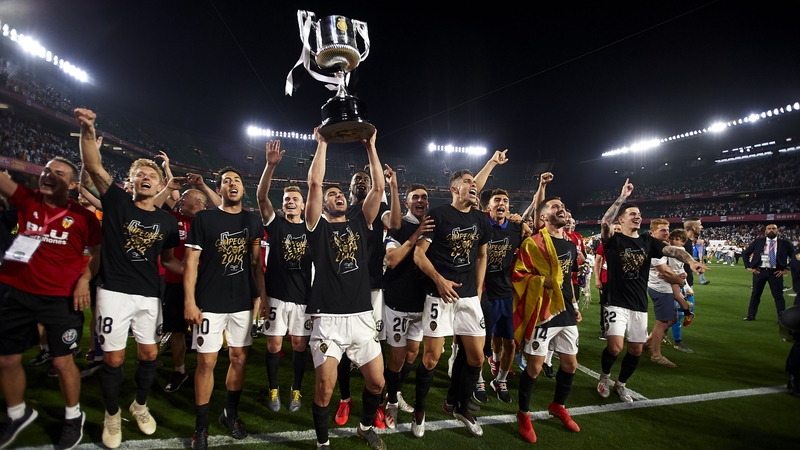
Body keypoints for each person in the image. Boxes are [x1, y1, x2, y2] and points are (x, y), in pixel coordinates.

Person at [76, 108, 183, 449]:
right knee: (114, 358)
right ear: (133, 181)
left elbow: (168, 260)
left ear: (159, 184)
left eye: (151, 174)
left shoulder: (167, 222)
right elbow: (93, 166)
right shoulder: (118, 202)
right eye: (141, 174)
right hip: (114, 292)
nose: (146, 177)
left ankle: (139, 404)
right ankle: (111, 415)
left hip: (150, 295)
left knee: (150, 355)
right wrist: (89, 130)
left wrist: (200, 271)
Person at [0, 157, 101, 450]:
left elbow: (96, 254)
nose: (48, 175)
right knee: (6, 357)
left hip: (60, 296)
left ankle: (73, 416)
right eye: (46, 171)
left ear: (71, 185)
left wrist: (84, 281)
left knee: (62, 360)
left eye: (58, 173)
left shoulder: (83, 216)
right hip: (15, 290)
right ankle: (17, 413)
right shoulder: (26, 199)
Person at [305, 128, 386, 450]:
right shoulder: (316, 226)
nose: (338, 196)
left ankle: (365, 426)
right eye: (332, 195)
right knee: (325, 388)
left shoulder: (359, 221)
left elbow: (378, 187)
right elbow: (313, 184)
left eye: (341, 194)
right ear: (324, 205)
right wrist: (322, 144)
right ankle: (323, 443)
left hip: (362, 316)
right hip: (328, 319)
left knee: (377, 382)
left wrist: (371, 147)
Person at [596, 179, 707, 403]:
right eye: (632, 214)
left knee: (636, 350)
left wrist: (691, 262)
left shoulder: (648, 241)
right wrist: (622, 197)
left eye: (639, 214)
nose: (637, 216)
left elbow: (674, 251)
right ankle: (604, 377)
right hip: (616, 301)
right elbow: (605, 221)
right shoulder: (614, 240)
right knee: (616, 347)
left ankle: (621, 383)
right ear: (622, 219)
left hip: (638, 303)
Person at [183, 166, 265, 450]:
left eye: (237, 181)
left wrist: (261, 297)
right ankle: (201, 427)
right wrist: (189, 301)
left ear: (243, 190)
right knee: (206, 362)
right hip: (209, 302)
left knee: (239, 358)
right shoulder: (204, 219)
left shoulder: (253, 223)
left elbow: (256, 264)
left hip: (241, 302)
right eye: (226, 181)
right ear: (218, 190)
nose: (232, 184)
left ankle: (230, 414)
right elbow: (191, 262)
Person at [412, 167, 494, 437]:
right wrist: (439, 280)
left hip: (469, 296)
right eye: (467, 182)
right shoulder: (438, 215)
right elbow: (419, 255)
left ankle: (457, 405)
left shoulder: (482, 220)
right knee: (432, 358)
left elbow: (482, 256)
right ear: (454, 188)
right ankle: (420, 411)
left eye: (475, 182)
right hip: (440, 295)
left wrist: (479, 289)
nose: (473, 185)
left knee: (476, 357)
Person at [334, 159, 400, 428]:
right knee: (340, 348)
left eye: (365, 180)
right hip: (345, 288)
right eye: (356, 180)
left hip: (374, 287)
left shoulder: (379, 207)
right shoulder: (340, 211)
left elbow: (394, 223)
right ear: (350, 188)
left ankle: (377, 398)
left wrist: (393, 188)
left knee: (377, 345)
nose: (361, 183)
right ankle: (345, 398)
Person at [513, 196, 582, 443]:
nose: (561, 209)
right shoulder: (533, 243)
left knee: (570, 365)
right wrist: (544, 282)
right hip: (543, 311)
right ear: (543, 217)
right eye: (555, 207)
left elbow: (569, 281)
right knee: (534, 367)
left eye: (562, 207)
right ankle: (523, 414)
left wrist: (574, 305)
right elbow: (519, 275)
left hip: (565, 311)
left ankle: (558, 405)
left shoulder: (571, 245)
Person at [256, 140, 313, 414]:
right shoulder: (275, 224)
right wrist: (270, 166)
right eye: (286, 199)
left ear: (303, 205)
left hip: (303, 298)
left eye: (295, 199)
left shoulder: (312, 230)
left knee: (300, 346)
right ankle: (273, 387)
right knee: (274, 344)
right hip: (277, 296)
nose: (290, 202)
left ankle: (297, 388)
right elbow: (261, 198)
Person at [381, 184, 434, 428]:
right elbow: (391, 261)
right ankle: (391, 401)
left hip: (421, 302)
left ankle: (397, 392)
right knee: (398, 357)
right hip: (399, 301)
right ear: (407, 202)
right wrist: (416, 235)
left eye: (424, 197)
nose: (420, 201)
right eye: (415, 197)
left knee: (413, 352)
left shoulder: (435, 226)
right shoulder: (398, 226)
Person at [160, 184, 213, 393]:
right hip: (175, 282)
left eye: (185, 197)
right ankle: (180, 370)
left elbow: (221, 206)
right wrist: (189, 272)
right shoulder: (172, 218)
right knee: (176, 330)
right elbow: (167, 260)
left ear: (199, 202)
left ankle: (204, 370)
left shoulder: (209, 221)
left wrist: (203, 186)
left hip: (204, 287)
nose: (180, 199)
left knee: (204, 329)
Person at [483, 189, 527, 403]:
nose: (502, 203)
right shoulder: (481, 226)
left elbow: (532, 234)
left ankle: (500, 381)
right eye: (497, 200)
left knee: (510, 343)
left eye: (506, 201)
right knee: (481, 343)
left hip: (506, 294)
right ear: (488, 207)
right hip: (484, 294)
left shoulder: (515, 230)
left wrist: (523, 224)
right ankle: (477, 380)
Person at [643, 221, 695, 368]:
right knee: (662, 322)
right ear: (653, 232)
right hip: (660, 288)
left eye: (667, 230)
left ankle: (647, 343)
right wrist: (680, 281)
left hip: (664, 287)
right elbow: (664, 272)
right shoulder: (655, 248)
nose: (666, 233)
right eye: (662, 230)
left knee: (672, 318)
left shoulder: (662, 246)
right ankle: (656, 354)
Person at [742, 224, 795, 320]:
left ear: (777, 231)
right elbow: (745, 253)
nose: (771, 230)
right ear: (765, 231)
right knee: (755, 294)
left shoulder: (784, 243)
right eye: (769, 229)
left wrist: (787, 269)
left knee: (778, 296)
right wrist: (748, 267)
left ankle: (781, 317)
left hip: (776, 272)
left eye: (773, 229)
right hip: (759, 271)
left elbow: (795, 256)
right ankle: (751, 315)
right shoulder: (758, 242)